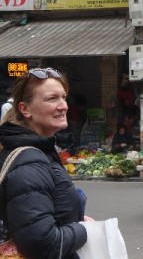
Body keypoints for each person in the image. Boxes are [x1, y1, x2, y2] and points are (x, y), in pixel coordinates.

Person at [0, 68, 93, 257]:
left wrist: (74, 221)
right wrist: (84, 230)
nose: (63, 106)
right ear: (25, 109)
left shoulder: (39, 151)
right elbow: (42, 244)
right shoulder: (30, 162)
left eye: (63, 97)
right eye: (52, 99)